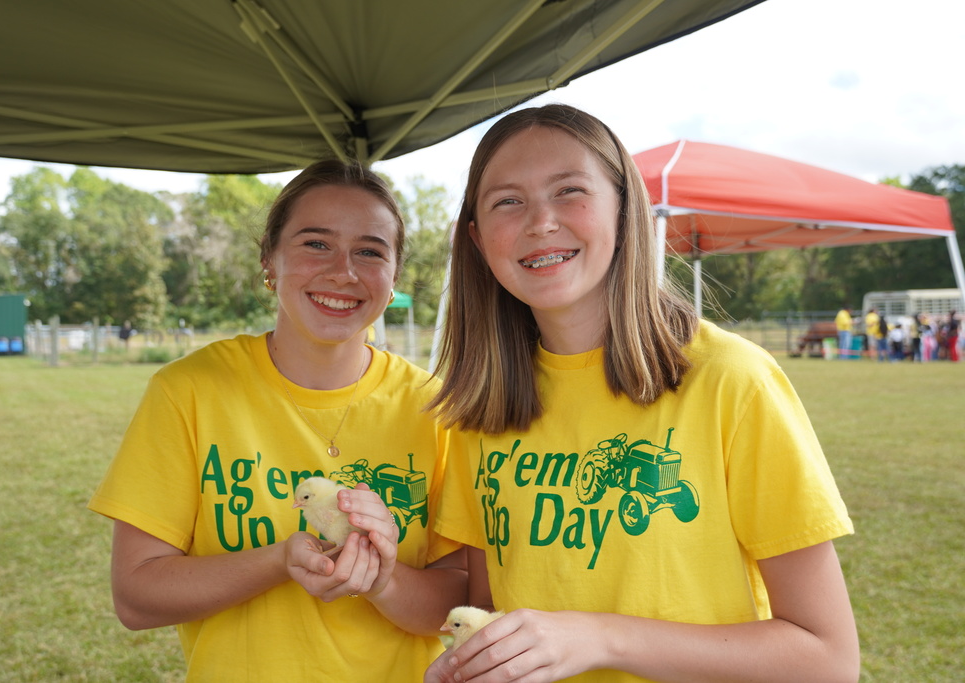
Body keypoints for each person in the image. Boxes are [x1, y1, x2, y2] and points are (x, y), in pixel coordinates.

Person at [424, 104, 859, 683]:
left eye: (569, 190)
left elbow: (827, 660)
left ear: (627, 210)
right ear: (477, 239)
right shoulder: (485, 405)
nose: (541, 222)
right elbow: (495, 623)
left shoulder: (733, 380)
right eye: (507, 201)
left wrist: (602, 637)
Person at [88, 159, 466, 682]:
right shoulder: (188, 391)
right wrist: (277, 562)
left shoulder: (438, 408)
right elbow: (136, 598)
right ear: (269, 257)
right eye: (316, 243)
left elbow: (456, 605)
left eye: (370, 251)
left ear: (395, 273)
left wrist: (382, 579)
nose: (344, 271)